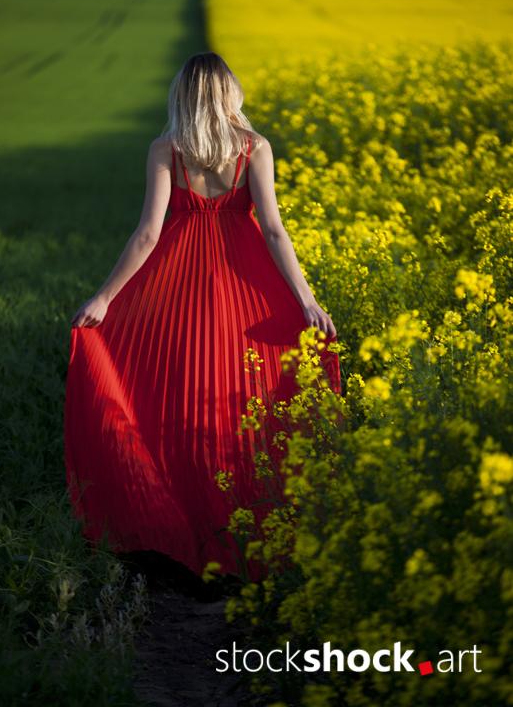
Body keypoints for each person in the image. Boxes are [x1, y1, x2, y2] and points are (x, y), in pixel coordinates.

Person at [64, 51, 341, 582]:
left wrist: (105, 298)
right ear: (230, 94)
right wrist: (305, 300)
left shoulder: (166, 149)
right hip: (245, 287)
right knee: (239, 403)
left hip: (178, 289)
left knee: (177, 404)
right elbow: (276, 230)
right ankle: (246, 540)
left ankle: (183, 535)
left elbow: (148, 233)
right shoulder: (255, 148)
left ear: (182, 97)